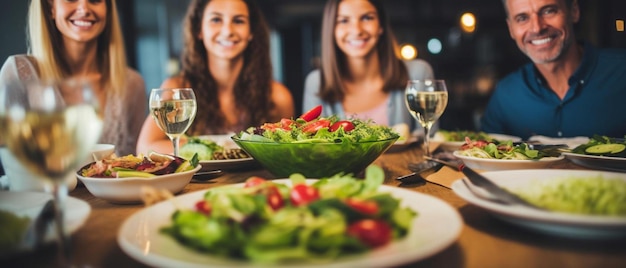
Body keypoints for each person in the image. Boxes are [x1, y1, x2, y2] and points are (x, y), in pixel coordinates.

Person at [136, 0, 294, 155]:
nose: (227, 31)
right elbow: (145, 147)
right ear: (199, 30)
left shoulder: (277, 96)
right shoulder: (177, 90)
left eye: (238, 21)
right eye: (216, 20)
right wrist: (217, 147)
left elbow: (285, 153)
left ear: (251, 32)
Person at [0, 0, 147, 156]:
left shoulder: (132, 83)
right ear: (51, 9)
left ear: (108, 10)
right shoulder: (18, 72)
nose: (84, 9)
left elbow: (135, 166)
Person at [481, 0, 626, 140]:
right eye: (522, 18)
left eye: (549, 11)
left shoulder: (621, 72)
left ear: (574, 11)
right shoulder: (506, 94)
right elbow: (479, 157)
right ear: (511, 29)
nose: (537, 28)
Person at [302, 0, 434, 134]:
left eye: (367, 18)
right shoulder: (316, 82)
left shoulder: (418, 73)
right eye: (343, 21)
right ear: (332, 29)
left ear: (381, 26)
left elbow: (429, 138)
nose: (357, 30)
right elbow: (312, 143)